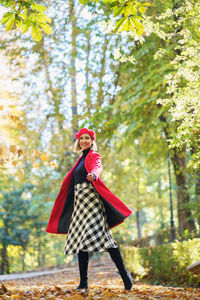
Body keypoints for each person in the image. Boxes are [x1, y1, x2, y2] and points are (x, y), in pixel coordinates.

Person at [46, 128, 133, 290]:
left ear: (92, 141)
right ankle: (83, 282)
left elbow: (97, 166)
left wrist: (94, 174)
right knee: (81, 242)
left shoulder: (93, 155)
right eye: (81, 139)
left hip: (92, 202)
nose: (84, 141)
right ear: (78, 142)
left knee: (106, 240)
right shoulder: (79, 159)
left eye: (87, 138)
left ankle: (124, 275)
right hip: (80, 204)